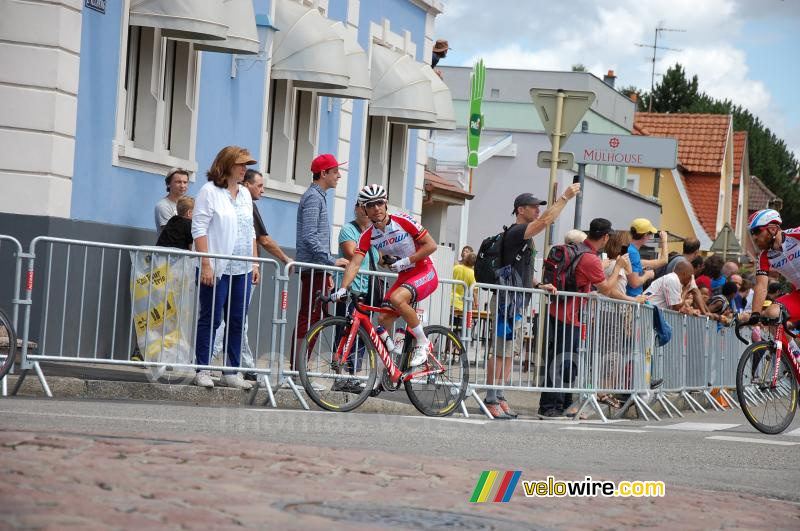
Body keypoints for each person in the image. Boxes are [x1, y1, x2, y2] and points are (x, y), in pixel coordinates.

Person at [482, 185, 581, 419]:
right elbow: (546, 222)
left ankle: (500, 396)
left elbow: (520, 268)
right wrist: (564, 198)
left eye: (539, 207)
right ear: (520, 210)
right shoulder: (518, 232)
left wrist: (537, 285)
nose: (538, 210)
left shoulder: (522, 236)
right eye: (533, 207)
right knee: (500, 351)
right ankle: (490, 398)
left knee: (509, 352)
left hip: (516, 302)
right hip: (506, 301)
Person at [332, 184, 438, 369]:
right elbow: (355, 263)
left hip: (424, 271)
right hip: (404, 277)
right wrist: (342, 288)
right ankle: (393, 364)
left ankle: (424, 343)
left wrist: (406, 261)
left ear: (386, 203)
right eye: (371, 205)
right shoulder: (367, 236)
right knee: (382, 320)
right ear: (365, 209)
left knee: (397, 298)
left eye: (380, 203)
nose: (376, 208)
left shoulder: (403, 221)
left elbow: (431, 245)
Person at [538, 218, 628, 419]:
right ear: (605, 237)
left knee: (564, 360)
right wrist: (618, 267)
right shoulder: (590, 258)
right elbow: (607, 289)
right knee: (564, 361)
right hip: (569, 316)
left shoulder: (579, 250)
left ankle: (561, 403)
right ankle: (550, 406)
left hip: (560, 311)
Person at [191, 146, 259, 390]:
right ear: (228, 165)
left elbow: (249, 229)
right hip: (217, 266)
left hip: (241, 268)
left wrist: (254, 261)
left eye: (246, 166)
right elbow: (199, 228)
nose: (244, 170)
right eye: (241, 165)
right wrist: (206, 263)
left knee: (238, 319)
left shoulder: (244, 194)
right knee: (211, 318)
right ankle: (202, 367)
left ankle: (231, 371)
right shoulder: (209, 192)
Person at [292, 154, 349, 370]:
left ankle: (299, 368)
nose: (339, 176)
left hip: (317, 268)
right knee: (309, 318)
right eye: (335, 172)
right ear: (323, 173)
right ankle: (297, 369)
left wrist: (327, 270)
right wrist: (330, 262)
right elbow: (309, 235)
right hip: (314, 267)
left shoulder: (317, 196)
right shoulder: (314, 198)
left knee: (313, 318)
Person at [329, 201, 384, 393]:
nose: (366, 211)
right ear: (357, 208)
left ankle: (353, 377)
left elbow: (380, 257)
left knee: (361, 336)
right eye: (362, 206)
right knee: (345, 332)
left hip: (368, 291)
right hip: (351, 289)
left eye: (368, 207)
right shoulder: (348, 230)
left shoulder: (374, 233)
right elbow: (354, 255)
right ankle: (340, 375)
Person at [742, 209, 800, 332]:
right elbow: (761, 286)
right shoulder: (764, 256)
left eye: (757, 231)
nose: (754, 237)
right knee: (772, 314)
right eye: (752, 233)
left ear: (772, 229)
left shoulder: (795, 235)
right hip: (798, 296)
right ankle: (793, 351)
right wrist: (755, 314)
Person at [243, 169, 290, 265]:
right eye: (259, 186)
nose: (262, 190)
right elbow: (264, 240)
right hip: (244, 267)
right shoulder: (248, 206)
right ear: (247, 185)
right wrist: (285, 258)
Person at [663, 238, 708, 314]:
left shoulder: (675, 259)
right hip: (670, 308)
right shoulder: (686, 266)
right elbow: (695, 291)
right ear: (696, 252)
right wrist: (705, 313)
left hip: (664, 303)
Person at [625, 219, 668, 298]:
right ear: (645, 235)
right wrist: (647, 275)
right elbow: (634, 283)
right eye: (650, 234)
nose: (650, 237)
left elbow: (663, 261)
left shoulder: (630, 249)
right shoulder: (633, 253)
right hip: (632, 299)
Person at [155, 168, 189, 233]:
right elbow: (171, 234)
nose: (182, 186)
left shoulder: (189, 204)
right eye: (178, 182)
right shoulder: (163, 206)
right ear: (168, 184)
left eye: (185, 182)